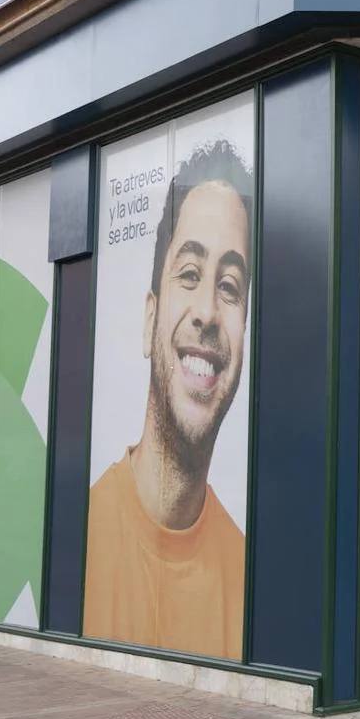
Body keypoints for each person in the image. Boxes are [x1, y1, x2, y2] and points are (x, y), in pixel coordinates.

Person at [83, 140, 253, 660]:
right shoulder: (78, 537)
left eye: (229, 286)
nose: (207, 312)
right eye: (189, 274)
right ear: (149, 319)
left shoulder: (250, 580)